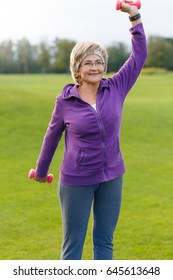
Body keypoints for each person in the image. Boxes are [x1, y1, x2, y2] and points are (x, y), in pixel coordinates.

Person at [33, 1, 148, 260]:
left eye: (99, 62)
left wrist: (134, 17)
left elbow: (139, 56)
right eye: (88, 63)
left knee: (105, 243)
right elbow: (52, 137)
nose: (95, 67)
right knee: (72, 247)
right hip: (76, 181)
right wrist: (41, 172)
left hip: (112, 178)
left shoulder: (116, 86)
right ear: (77, 69)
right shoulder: (65, 101)